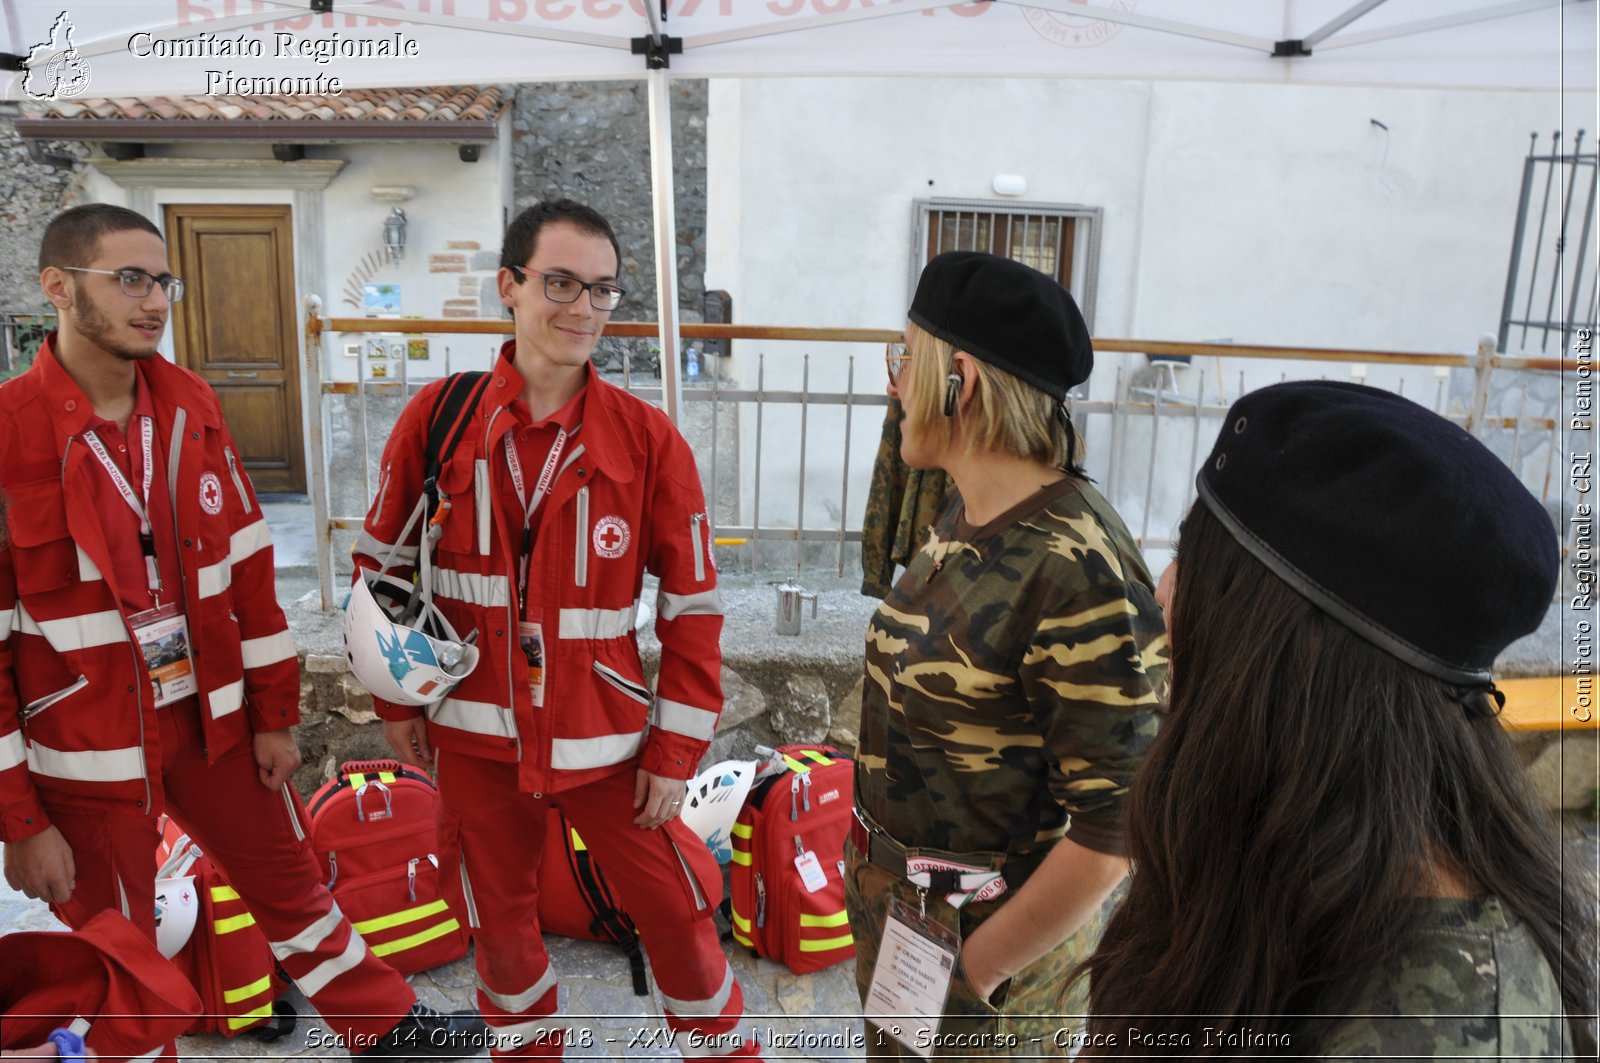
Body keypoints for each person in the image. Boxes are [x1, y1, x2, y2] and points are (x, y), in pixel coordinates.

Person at [0, 204, 476, 1059]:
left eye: (163, 280)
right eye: (131, 279)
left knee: (293, 884)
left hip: (211, 720)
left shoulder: (192, 407)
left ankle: (387, 1025)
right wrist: (19, 821)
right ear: (59, 288)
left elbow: (251, 578)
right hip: (87, 747)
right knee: (122, 945)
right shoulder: (6, 435)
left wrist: (275, 712)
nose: (156, 300)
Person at [350, 199, 761, 1060]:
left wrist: (674, 750)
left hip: (606, 743)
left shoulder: (648, 440)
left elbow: (694, 610)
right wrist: (394, 699)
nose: (583, 309)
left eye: (604, 291)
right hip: (472, 737)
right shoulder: (440, 418)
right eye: (562, 283)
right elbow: (380, 569)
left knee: (679, 907)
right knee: (500, 931)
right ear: (510, 286)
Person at [1081, 381, 1596, 1057]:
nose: (1164, 592)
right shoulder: (1286, 858)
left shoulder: (1437, 1029)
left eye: (1195, 562)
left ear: (1281, 658)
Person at [845, 251, 1168, 1058]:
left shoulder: (1077, 565)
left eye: (903, 360)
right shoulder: (967, 510)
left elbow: (1116, 829)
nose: (894, 384)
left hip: (987, 972)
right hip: (912, 929)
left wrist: (972, 979)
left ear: (961, 379)